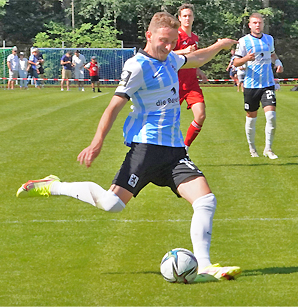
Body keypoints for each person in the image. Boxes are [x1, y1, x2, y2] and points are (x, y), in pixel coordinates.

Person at [16, 12, 239, 282]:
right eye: (163, 41)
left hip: (174, 152)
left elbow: (198, 57)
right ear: (149, 36)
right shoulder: (137, 66)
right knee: (112, 205)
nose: (168, 47)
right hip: (146, 149)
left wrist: (220, 45)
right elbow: (113, 107)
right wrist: (96, 142)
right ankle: (54, 185)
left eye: (171, 41)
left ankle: (204, 266)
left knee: (206, 201)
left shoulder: (171, 59)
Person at [232, 12, 284, 159]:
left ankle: (268, 148)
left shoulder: (269, 39)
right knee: (251, 118)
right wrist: (246, 58)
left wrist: (278, 62)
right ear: (250, 25)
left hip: (267, 84)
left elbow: (273, 55)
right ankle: (252, 147)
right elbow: (235, 62)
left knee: (271, 116)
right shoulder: (244, 41)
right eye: (254, 23)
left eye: (259, 22)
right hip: (251, 85)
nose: (257, 25)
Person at [174, 4, 212, 148]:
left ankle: (185, 147)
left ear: (193, 18)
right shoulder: (175, 35)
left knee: (201, 115)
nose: (187, 18)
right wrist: (184, 50)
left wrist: (198, 70)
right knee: (168, 121)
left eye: (189, 16)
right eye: (184, 16)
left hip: (191, 84)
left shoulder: (195, 38)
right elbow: (166, 55)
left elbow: (193, 60)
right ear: (179, 18)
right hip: (175, 84)